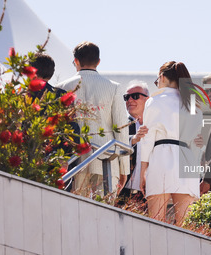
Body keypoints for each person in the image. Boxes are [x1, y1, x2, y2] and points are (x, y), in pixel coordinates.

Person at [56, 41, 129, 197]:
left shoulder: (61, 87)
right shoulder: (114, 87)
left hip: (74, 163)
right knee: (105, 213)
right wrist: (124, 168)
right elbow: (121, 129)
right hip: (106, 159)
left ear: (76, 61)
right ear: (98, 62)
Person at [140, 61, 203, 226]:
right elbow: (197, 144)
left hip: (161, 157)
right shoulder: (194, 105)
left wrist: (142, 170)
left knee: (156, 223)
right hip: (187, 160)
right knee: (186, 227)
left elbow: (147, 138)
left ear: (162, 76)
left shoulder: (155, 101)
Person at [30, 53, 80, 190]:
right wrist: (65, 157)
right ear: (51, 74)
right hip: (55, 161)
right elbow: (73, 129)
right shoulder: (62, 96)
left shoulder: (22, 95)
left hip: (26, 160)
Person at [119, 80, 149, 200]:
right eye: (127, 97)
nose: (130, 100)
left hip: (148, 192)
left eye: (135, 96)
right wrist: (133, 139)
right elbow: (115, 144)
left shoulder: (156, 125)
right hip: (122, 191)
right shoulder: (120, 125)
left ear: (147, 100)